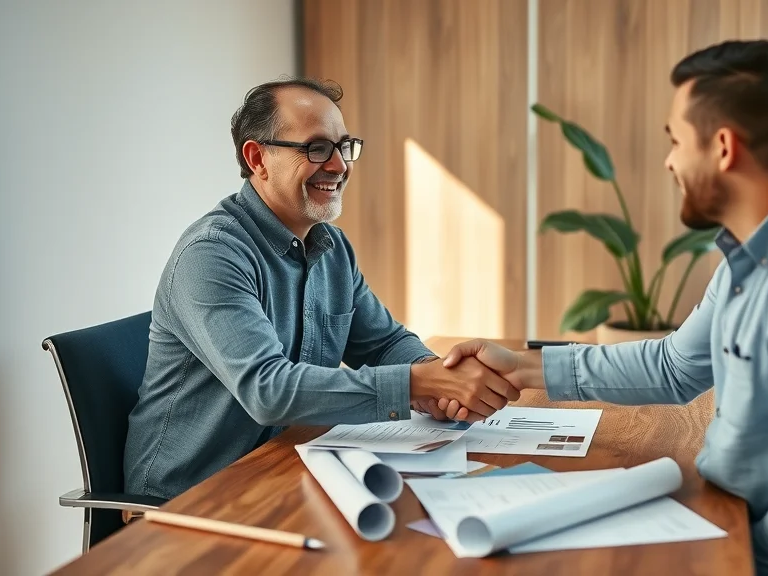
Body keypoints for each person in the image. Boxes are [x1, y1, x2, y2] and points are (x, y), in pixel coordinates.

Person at [440, 40, 768, 576]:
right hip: (745, 520)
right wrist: (521, 365)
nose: (669, 160)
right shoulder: (763, 251)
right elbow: (673, 366)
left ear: (723, 148)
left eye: (676, 140)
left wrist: (707, 564)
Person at [123, 78, 518, 500]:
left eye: (343, 147)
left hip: (286, 468)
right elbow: (268, 391)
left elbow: (383, 342)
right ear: (258, 158)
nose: (339, 166)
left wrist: (439, 377)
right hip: (190, 499)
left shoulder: (332, 246)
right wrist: (421, 383)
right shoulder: (212, 254)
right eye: (316, 149)